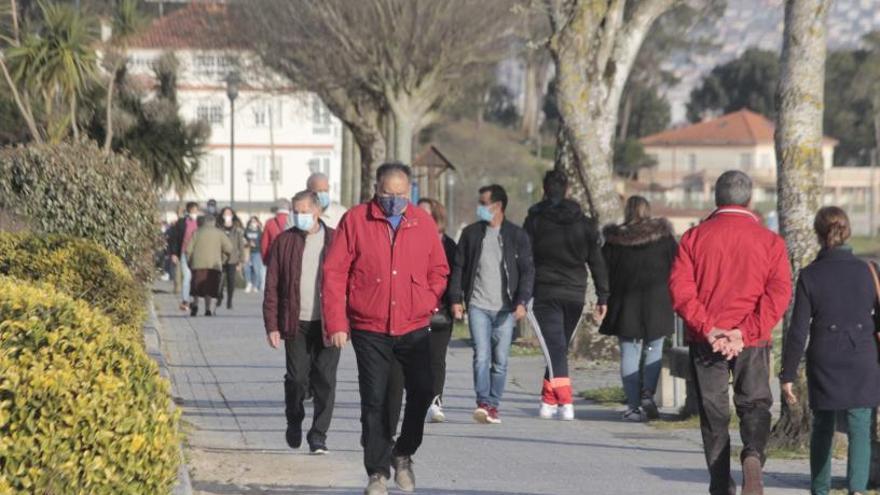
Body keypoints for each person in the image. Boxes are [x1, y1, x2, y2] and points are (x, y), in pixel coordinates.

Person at [322, 162, 449, 495]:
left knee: (423, 391)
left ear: (410, 192)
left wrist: (426, 300)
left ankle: (403, 452)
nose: (394, 200)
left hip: (413, 325)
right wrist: (337, 322)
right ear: (375, 189)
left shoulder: (422, 222)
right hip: (370, 327)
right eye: (387, 194)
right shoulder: (356, 220)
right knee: (375, 401)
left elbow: (439, 270)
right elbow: (334, 274)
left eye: (401, 194)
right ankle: (377, 473)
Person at [669, 170, 792, 495]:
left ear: (716, 198)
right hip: (752, 340)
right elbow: (779, 292)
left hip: (705, 338)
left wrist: (709, 329)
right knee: (754, 404)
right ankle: (752, 453)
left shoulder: (694, 238)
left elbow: (681, 289)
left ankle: (720, 482)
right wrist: (745, 331)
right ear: (750, 200)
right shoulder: (770, 241)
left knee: (714, 413)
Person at [779, 207, 880, 495]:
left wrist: (787, 373)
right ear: (847, 231)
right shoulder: (869, 271)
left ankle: (820, 487)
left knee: (822, 422)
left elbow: (798, 330)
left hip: (825, 356)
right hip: (863, 355)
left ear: (818, 234)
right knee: (860, 421)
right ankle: (857, 489)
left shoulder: (810, 275)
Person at [523, 170, 608, 421]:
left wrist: (518, 292)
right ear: (567, 189)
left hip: (545, 290)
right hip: (575, 293)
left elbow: (524, 257)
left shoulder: (535, 220)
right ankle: (548, 400)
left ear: (544, 189)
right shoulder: (584, 223)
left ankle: (565, 399)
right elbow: (597, 261)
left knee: (556, 347)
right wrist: (603, 296)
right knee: (557, 347)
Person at [449, 184, 534, 425]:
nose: (480, 208)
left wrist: (522, 302)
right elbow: (459, 268)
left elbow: (528, 271)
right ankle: (483, 402)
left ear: (498, 207)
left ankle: (494, 405)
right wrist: (456, 300)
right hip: (478, 305)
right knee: (481, 356)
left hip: (506, 308)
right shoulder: (471, 234)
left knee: (501, 360)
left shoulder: (517, 236)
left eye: (484, 203)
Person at [263, 190, 340, 455]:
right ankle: (294, 419)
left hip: (329, 323)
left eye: (305, 210)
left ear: (317, 211)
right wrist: (271, 325)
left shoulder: (336, 240)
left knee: (325, 380)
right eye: (296, 210)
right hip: (295, 321)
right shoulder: (285, 242)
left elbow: (350, 283)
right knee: (296, 379)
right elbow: (272, 285)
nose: (300, 215)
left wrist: (346, 324)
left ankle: (318, 435)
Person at [600, 196, 677, 422]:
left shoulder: (614, 240)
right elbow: (677, 266)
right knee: (654, 349)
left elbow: (603, 272)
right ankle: (647, 394)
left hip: (626, 304)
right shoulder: (664, 238)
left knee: (629, 353)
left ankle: (633, 407)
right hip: (658, 302)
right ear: (648, 210)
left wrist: (603, 298)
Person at [417, 198, 457, 423]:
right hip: (413, 309)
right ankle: (418, 396)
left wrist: (455, 301)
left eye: (426, 214)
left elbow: (455, 275)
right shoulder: (408, 240)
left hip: (440, 309)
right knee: (414, 358)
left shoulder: (448, 245)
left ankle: (435, 401)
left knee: (436, 357)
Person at [186, 213, 233, 317]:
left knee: (196, 287)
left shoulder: (197, 232)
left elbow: (188, 249)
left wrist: (189, 262)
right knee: (209, 288)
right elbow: (229, 248)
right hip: (213, 265)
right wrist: (224, 259)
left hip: (197, 264)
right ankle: (207, 309)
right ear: (214, 222)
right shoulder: (219, 233)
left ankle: (195, 304)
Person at [168, 202, 201, 313]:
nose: (194, 213)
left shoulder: (201, 223)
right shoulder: (182, 223)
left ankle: (195, 301)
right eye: (192, 211)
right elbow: (174, 239)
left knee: (196, 278)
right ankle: (185, 301)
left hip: (197, 254)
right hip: (184, 253)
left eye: (196, 211)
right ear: (188, 211)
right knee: (187, 276)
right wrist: (174, 253)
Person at [216, 207, 247, 310]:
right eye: (225, 213)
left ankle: (229, 301)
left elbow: (241, 246)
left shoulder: (237, 230)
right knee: (219, 280)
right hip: (220, 259)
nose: (227, 216)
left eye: (229, 214)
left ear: (232, 215)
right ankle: (219, 296)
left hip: (233, 259)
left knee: (231, 281)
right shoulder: (219, 229)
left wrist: (241, 261)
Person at [261, 198, 291, 264]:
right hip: (291, 257)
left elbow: (264, 243)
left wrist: (265, 260)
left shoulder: (270, 222)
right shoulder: (294, 221)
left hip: (273, 257)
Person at [244, 216, 265, 293]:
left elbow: (263, 242)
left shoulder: (260, 232)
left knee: (256, 269)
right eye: (252, 221)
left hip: (257, 252)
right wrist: (248, 243)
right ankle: (248, 283)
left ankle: (255, 285)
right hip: (247, 251)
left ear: (257, 222)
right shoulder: (246, 231)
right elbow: (243, 239)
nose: (253, 223)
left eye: (255, 221)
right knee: (247, 269)